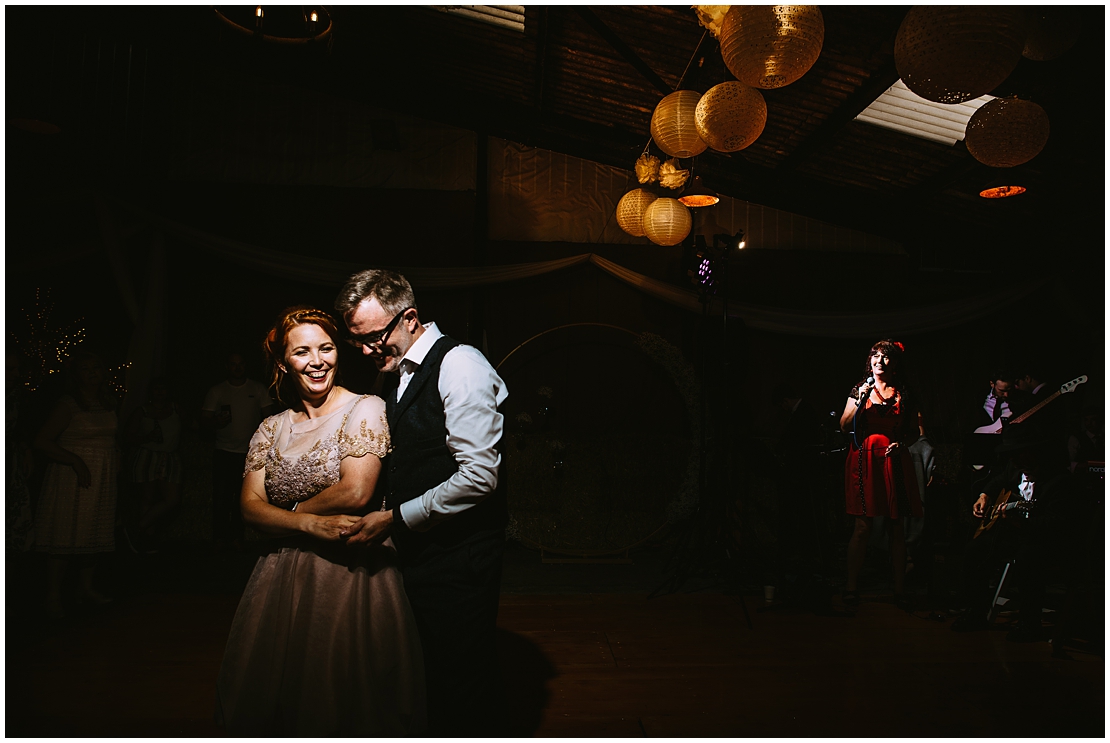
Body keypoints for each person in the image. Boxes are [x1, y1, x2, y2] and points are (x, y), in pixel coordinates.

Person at [215, 306, 425, 735]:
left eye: (326, 348)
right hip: (278, 577)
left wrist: (284, 516)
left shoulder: (364, 408)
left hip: (350, 572)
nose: (317, 361)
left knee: (346, 691)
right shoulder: (270, 428)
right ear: (282, 363)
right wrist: (306, 524)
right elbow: (249, 509)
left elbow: (356, 491)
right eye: (302, 352)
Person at [336, 269, 508, 736]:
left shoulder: (460, 364)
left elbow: (479, 476)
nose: (368, 352)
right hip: (418, 557)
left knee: (461, 684)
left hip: (459, 559)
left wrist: (395, 518)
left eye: (373, 338)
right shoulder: (395, 373)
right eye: (358, 342)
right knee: (422, 678)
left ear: (409, 318)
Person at [951, 424, 1075, 641]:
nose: (1016, 461)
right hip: (1012, 533)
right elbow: (997, 481)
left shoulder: (1058, 480)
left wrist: (1022, 523)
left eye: (1020, 455)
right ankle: (975, 612)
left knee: (1029, 558)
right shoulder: (1014, 468)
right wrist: (984, 496)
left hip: (1041, 538)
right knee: (975, 550)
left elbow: (1057, 524)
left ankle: (1029, 623)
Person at [33, 350, 120, 619]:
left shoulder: (108, 401)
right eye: (86, 368)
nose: (93, 372)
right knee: (65, 532)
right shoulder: (68, 404)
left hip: (102, 474)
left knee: (92, 531)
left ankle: (86, 588)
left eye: (97, 367)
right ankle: (53, 595)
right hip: (72, 477)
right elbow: (42, 440)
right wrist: (74, 461)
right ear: (76, 375)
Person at [839, 339, 921, 610]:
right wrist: (859, 400)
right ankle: (851, 587)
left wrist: (903, 444)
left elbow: (913, 432)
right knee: (862, 527)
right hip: (864, 460)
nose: (879, 361)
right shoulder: (859, 390)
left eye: (885, 357)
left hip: (893, 459)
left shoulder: (904, 393)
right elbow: (843, 425)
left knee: (896, 527)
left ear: (895, 363)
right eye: (875, 356)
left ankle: (899, 590)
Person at [201, 352, 273, 550]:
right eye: (233, 365)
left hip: (249, 454)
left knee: (242, 498)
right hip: (223, 451)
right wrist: (215, 421)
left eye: (241, 364)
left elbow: (270, 420)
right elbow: (204, 420)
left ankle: (237, 538)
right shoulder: (217, 391)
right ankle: (219, 538)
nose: (238, 368)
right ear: (227, 367)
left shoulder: (257, 389)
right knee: (221, 497)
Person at [123, 377, 182, 553]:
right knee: (147, 499)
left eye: (163, 389)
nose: (160, 392)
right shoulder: (141, 411)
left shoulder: (176, 409)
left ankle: (136, 528)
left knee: (171, 499)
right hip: (147, 457)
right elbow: (128, 436)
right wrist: (147, 437)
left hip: (170, 458)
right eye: (156, 389)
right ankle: (145, 541)